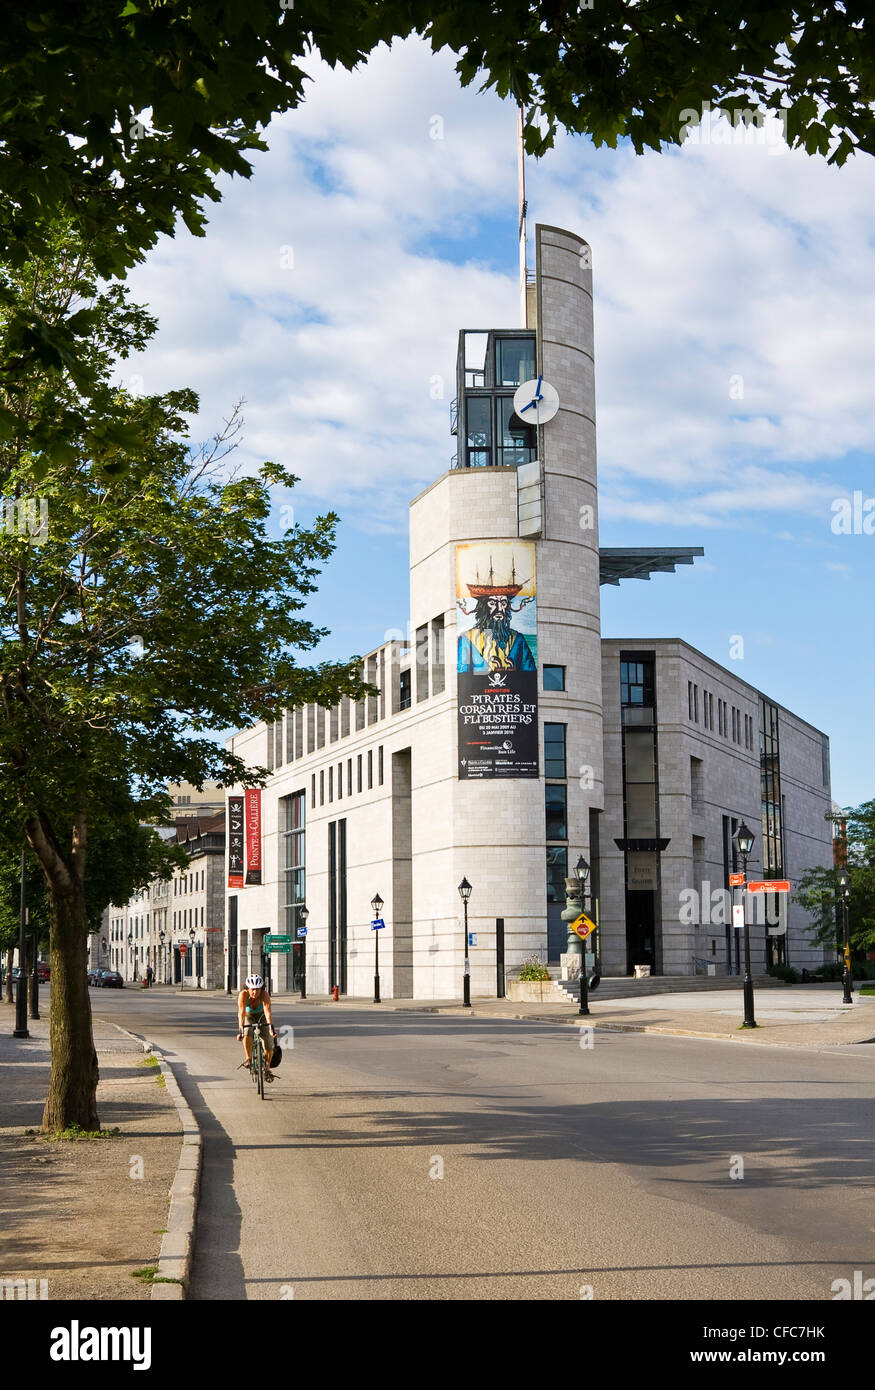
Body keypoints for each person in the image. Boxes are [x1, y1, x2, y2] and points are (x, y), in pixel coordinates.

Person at [237, 974, 277, 1082]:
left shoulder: (264, 995)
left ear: (261, 989)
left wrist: (270, 1028)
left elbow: (268, 1012)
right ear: (248, 988)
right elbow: (241, 1013)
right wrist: (240, 1029)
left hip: (262, 1017)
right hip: (249, 1017)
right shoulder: (243, 995)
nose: (255, 992)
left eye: (257, 989)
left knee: (269, 1045)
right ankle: (248, 1059)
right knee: (247, 1032)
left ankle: (267, 1069)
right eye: (252, 989)